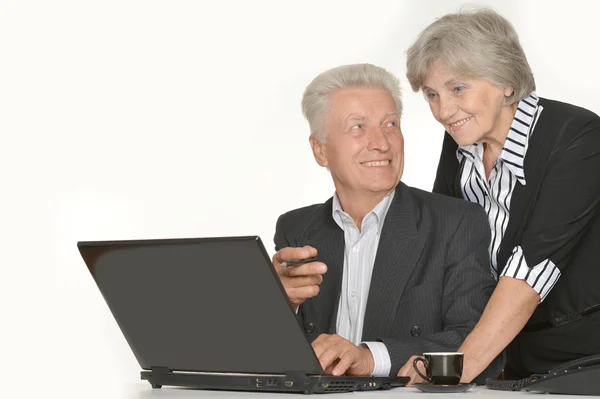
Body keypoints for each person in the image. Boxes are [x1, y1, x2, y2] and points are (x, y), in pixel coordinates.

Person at [399, 8, 600, 383]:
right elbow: (446, 255)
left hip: (584, 359)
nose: (443, 111)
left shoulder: (578, 137)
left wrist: (457, 368)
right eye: (431, 94)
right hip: (506, 359)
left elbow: (532, 270)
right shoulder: (463, 140)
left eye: (458, 88)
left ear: (506, 81)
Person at [271, 63, 502, 380]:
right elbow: (268, 354)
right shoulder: (296, 228)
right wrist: (276, 304)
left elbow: (477, 339)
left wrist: (370, 358)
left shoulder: (456, 222)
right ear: (320, 150)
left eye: (390, 124)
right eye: (358, 127)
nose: (381, 142)